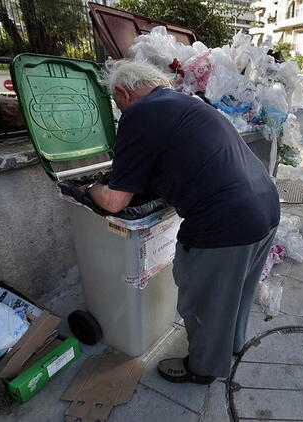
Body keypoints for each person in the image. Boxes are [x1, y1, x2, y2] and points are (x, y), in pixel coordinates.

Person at [86, 60, 280, 383]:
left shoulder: (138, 114)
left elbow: (113, 200)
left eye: (118, 106)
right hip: (266, 206)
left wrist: (91, 188)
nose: (120, 113)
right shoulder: (185, 102)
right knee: (237, 290)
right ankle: (231, 345)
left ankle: (201, 368)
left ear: (123, 93)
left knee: (204, 293)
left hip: (227, 220)